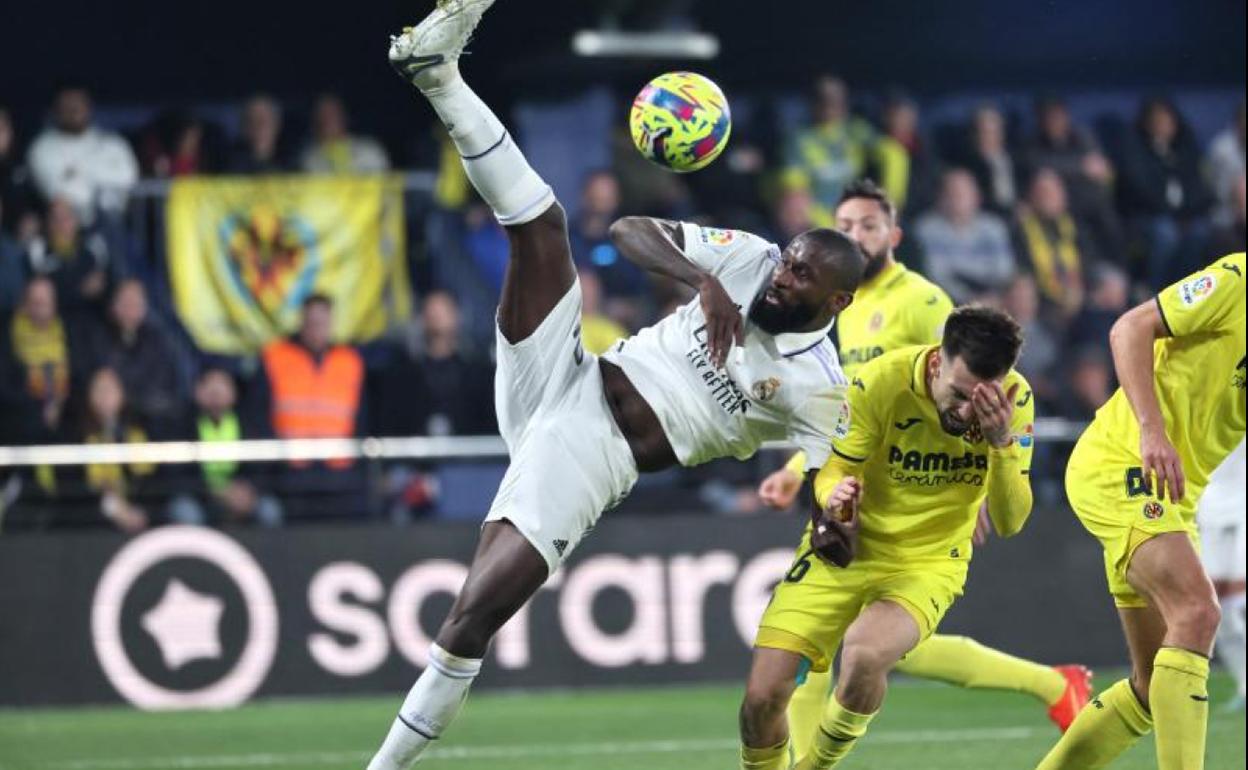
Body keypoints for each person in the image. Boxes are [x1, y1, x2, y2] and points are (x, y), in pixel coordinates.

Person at [367, 4, 864, 767]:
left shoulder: (816, 386)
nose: (782, 274)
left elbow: (833, 472)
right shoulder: (748, 259)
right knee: (543, 225)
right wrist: (701, 280)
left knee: (473, 616)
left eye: (801, 275)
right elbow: (630, 230)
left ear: (836, 303)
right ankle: (438, 75)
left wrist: (831, 519)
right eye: (790, 258)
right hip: (567, 375)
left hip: (598, 453)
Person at [756, 182, 1087, 759]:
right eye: (846, 225)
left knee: (866, 652)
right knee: (833, 658)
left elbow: (1009, 508)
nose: (856, 236)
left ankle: (1051, 684)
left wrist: (995, 456)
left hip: (930, 531)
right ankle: (1054, 684)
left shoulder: (927, 305)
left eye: (868, 226)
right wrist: (803, 470)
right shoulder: (844, 306)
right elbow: (850, 411)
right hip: (861, 507)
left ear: (894, 235)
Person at [741, 308, 1034, 770]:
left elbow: (1011, 519)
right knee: (761, 699)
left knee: (864, 654)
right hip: (846, 551)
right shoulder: (882, 381)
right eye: (958, 395)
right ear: (937, 363)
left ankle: (814, 765)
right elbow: (834, 466)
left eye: (976, 402)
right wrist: (830, 492)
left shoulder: (1013, 402)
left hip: (928, 562)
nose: (964, 413)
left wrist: (1001, 443)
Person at [1037, 253, 1245, 770]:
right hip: (1124, 461)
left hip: (1173, 493)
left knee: (1153, 686)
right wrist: (1153, 430)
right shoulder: (1239, 280)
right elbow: (1129, 328)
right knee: (1198, 612)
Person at [253, 293, 366, 519]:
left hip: (339, 474)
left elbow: (363, 419)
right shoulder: (275, 357)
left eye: (322, 323)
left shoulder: (350, 361)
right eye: (312, 322)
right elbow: (258, 415)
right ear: (301, 321)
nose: (317, 329)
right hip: (290, 472)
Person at [166, 366, 283, 528]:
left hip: (242, 494)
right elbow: (176, 474)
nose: (216, 393)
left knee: (269, 510)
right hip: (201, 497)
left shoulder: (250, 424)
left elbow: (266, 466)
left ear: (234, 393)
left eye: (222, 386)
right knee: (185, 511)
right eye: (209, 386)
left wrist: (249, 489)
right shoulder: (182, 424)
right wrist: (216, 492)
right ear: (196, 392)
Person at [84, 279, 184, 436]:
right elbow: (100, 382)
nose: (130, 308)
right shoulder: (97, 337)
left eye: (135, 303)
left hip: (149, 419)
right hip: (108, 418)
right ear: (113, 306)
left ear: (144, 307)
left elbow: (163, 389)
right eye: (125, 302)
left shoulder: (158, 340)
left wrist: (128, 399)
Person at [26, 86, 138, 224]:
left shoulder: (114, 144)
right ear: (55, 109)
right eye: (67, 105)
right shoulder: (42, 148)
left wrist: (77, 176)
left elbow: (127, 184)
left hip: (115, 225)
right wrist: (99, 182)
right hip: (67, 230)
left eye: (78, 103)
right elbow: (58, 194)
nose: (73, 110)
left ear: (89, 107)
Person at [913, 168, 1016, 304]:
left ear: (977, 197)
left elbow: (1005, 271)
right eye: (951, 193)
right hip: (946, 303)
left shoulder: (993, 227)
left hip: (992, 299)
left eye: (963, 193)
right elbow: (936, 275)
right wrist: (967, 299)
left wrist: (990, 296)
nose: (957, 198)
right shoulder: (926, 229)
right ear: (940, 197)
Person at [1196, 440, 1246, 712]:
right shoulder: (1191, 412)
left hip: (1244, 504)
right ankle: (1244, 684)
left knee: (1241, 596)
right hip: (1210, 507)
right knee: (1215, 605)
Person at [300, 93, 390, 174]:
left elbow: (387, 184)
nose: (327, 120)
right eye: (322, 115)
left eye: (332, 113)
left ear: (344, 117)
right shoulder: (310, 159)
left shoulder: (369, 149)